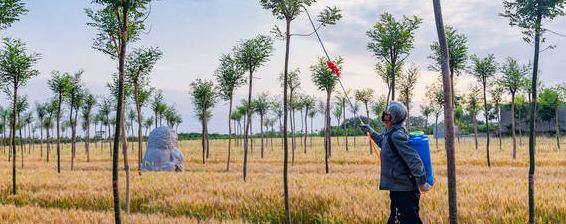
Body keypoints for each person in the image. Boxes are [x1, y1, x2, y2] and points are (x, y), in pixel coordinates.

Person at [360, 101, 431, 224]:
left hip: (405, 190)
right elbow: (384, 143)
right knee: (396, 220)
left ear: (391, 117)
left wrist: (422, 182)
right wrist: (371, 131)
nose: (384, 114)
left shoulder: (396, 135)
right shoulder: (391, 132)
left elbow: (414, 160)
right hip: (398, 188)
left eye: (387, 112)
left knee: (408, 220)